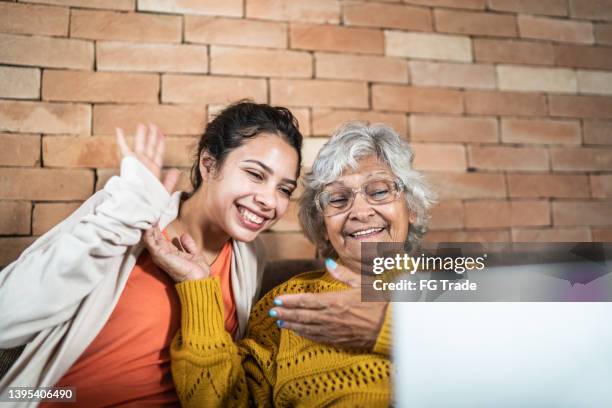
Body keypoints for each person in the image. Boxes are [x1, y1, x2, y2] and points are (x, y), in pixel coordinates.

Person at [0, 101, 303, 406]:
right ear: (209, 165)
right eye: (255, 174)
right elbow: (6, 317)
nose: (270, 200)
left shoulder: (249, 257)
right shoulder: (127, 213)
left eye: (284, 189)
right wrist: (124, 211)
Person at [148, 122, 435, 406]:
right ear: (323, 225)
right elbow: (222, 402)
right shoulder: (287, 303)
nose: (360, 212)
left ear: (410, 208)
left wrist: (388, 327)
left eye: (380, 191)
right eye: (337, 199)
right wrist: (198, 287)